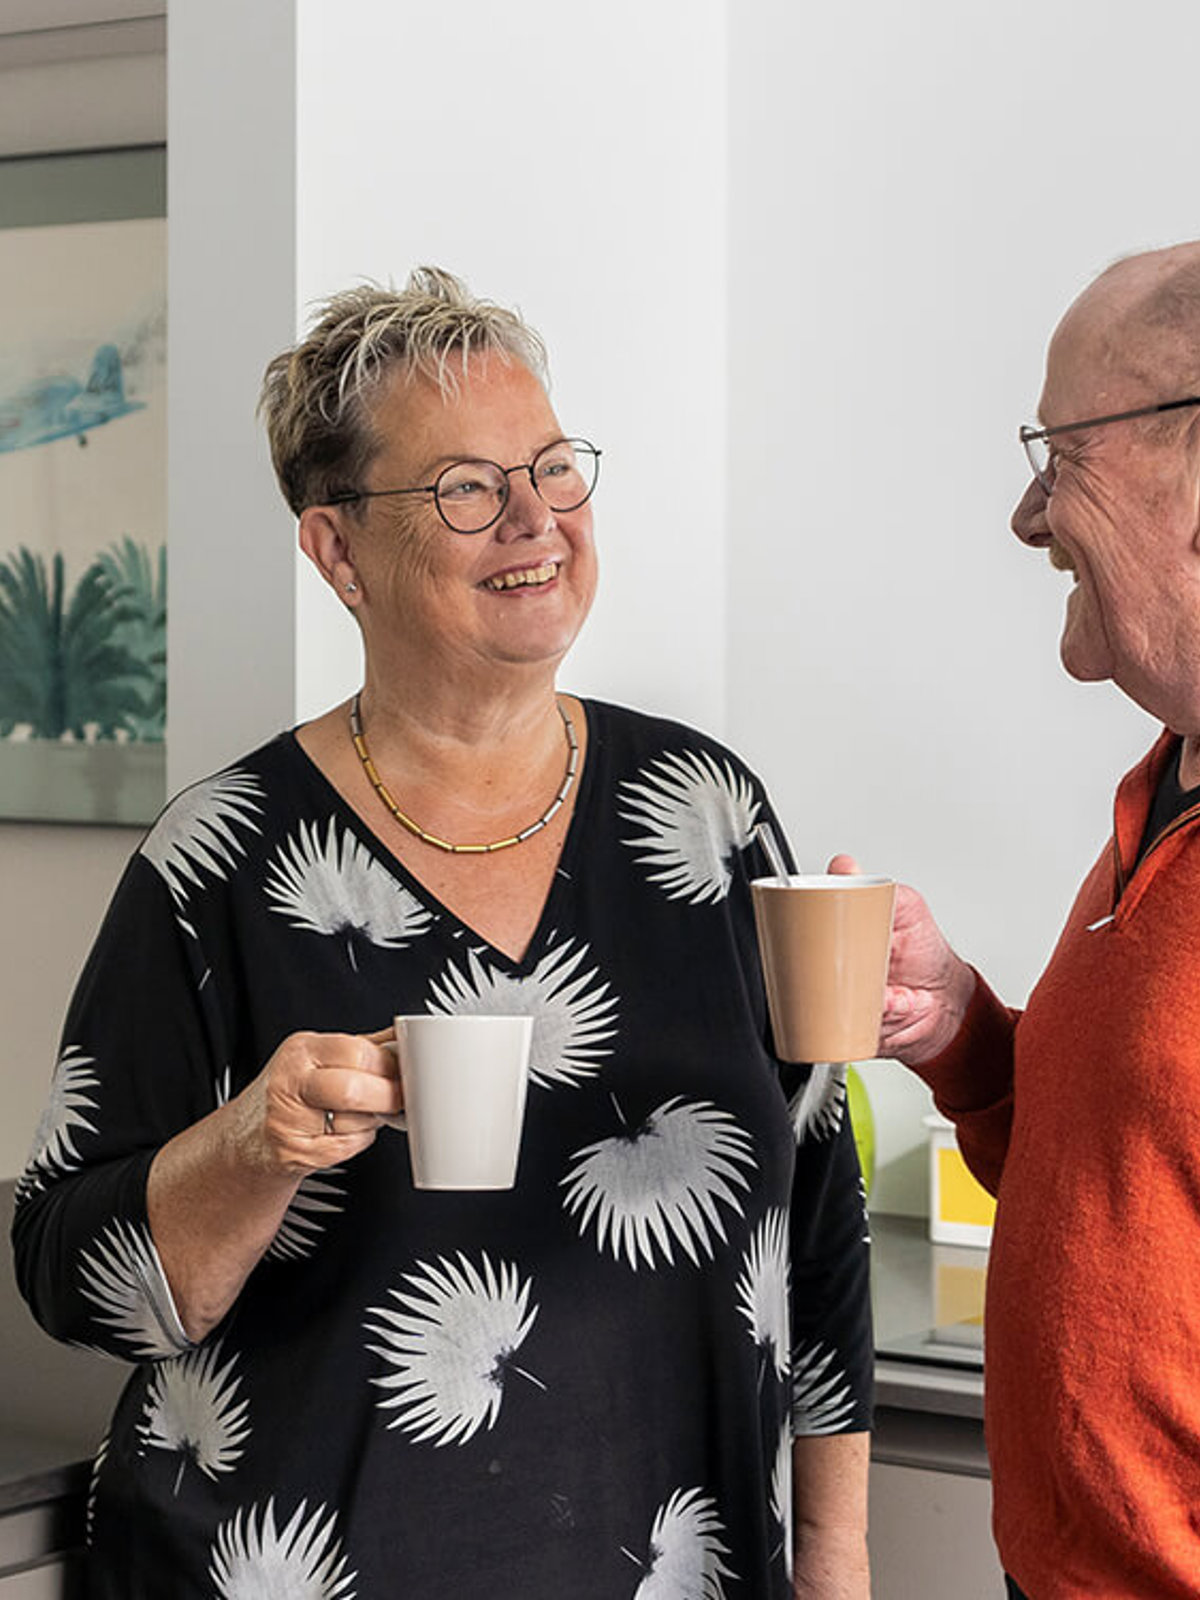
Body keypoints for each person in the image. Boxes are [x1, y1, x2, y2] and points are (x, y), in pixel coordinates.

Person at [12, 267, 872, 1598]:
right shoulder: (225, 858)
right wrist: (254, 1144)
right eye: (467, 487)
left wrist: (835, 1555)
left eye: (553, 467)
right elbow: (71, 1279)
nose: (534, 518)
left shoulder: (704, 814)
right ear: (337, 549)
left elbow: (821, 1203)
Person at [859, 240, 1200, 1600]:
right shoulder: (1159, 789)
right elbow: (1118, 1185)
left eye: (1061, 451)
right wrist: (962, 1033)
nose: (1026, 513)